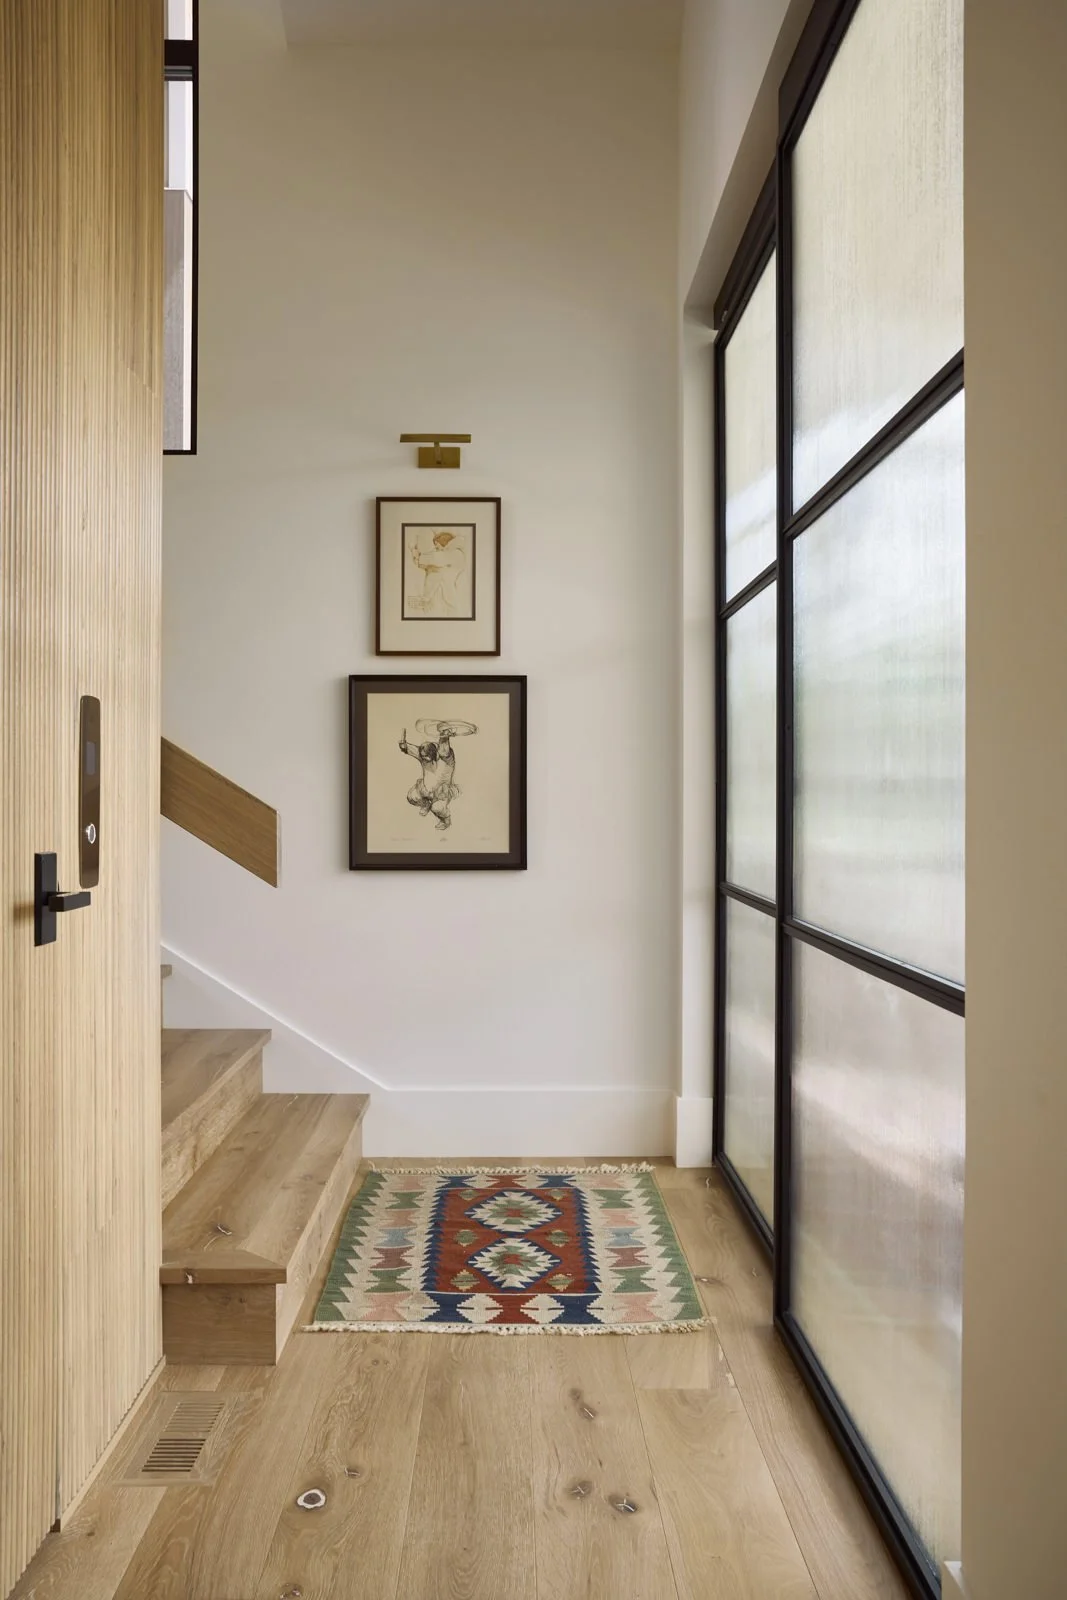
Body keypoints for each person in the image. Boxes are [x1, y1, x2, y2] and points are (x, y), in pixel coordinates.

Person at [399, 723, 459, 830]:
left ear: (434, 754)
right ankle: (426, 804)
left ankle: (446, 820)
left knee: (437, 808)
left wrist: (444, 735)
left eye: (427, 757)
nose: (424, 759)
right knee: (411, 797)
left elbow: (444, 749)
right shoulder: (423, 753)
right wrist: (404, 746)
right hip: (425, 789)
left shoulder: (446, 758)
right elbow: (408, 748)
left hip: (441, 792)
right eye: (423, 757)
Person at [408, 530, 466, 615]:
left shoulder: (454, 553)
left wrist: (414, 551)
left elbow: (434, 559)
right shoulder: (451, 554)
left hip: (450, 598)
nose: (435, 548)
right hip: (447, 595)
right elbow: (430, 563)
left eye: (436, 545)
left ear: (443, 542)